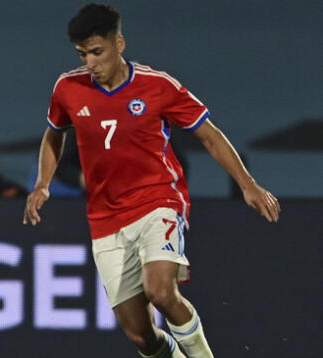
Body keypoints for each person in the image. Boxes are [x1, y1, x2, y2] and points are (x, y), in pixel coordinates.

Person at [23, 4, 280, 358]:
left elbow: (210, 135)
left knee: (160, 291)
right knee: (141, 336)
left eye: (97, 52)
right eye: (83, 54)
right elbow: (54, 134)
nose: (91, 63)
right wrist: (42, 184)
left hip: (158, 201)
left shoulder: (158, 86)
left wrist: (248, 184)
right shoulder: (68, 87)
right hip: (105, 219)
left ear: (119, 44)